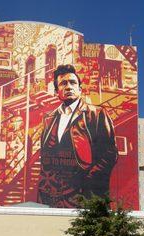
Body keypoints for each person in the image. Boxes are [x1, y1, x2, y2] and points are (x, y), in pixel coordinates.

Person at [37, 64, 118, 208]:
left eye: (73, 83)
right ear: (57, 91)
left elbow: (110, 153)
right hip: (52, 197)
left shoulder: (96, 113)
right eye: (63, 83)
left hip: (83, 196)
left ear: (80, 89)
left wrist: (88, 180)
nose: (68, 87)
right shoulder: (49, 118)